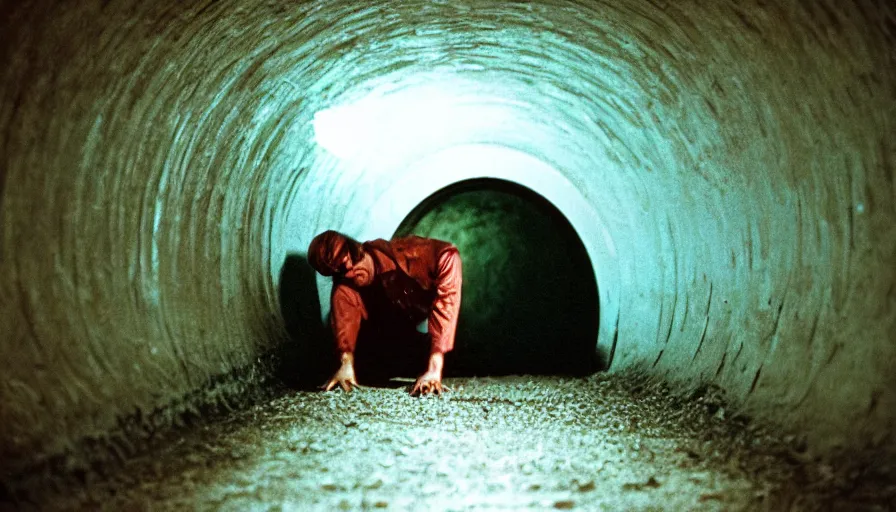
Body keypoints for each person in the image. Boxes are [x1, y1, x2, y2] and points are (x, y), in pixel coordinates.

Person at [307, 230, 462, 396]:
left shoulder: (409, 254)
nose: (351, 273)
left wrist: (434, 366)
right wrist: (345, 365)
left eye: (351, 262)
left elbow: (449, 256)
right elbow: (344, 319)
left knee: (456, 359)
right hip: (389, 348)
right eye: (342, 272)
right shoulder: (345, 289)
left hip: (427, 341)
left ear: (359, 248)